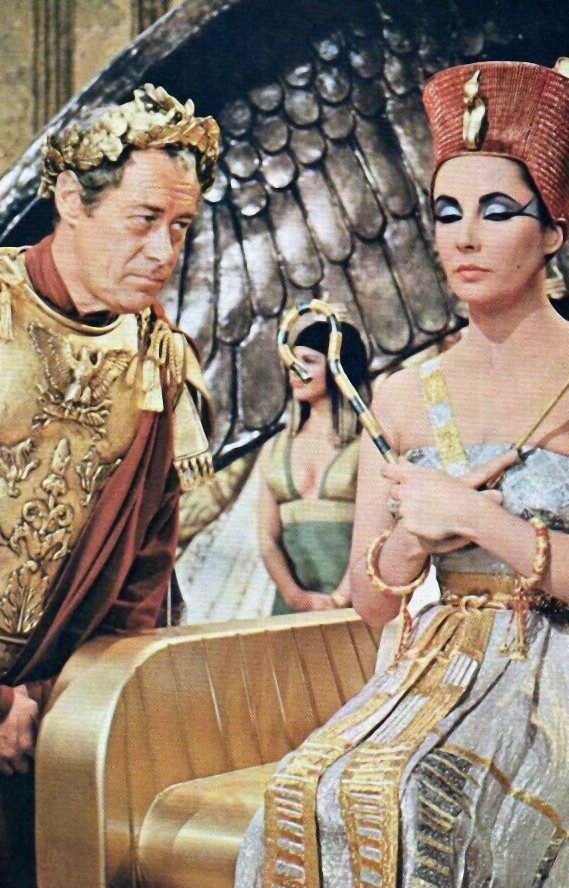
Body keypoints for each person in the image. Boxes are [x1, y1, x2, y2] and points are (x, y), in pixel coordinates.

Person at [235, 58, 569, 887]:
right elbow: (372, 599)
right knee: (307, 794)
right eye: (446, 213)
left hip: (557, 685)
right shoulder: (401, 395)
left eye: (497, 212)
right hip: (437, 672)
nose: (464, 237)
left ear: (552, 231)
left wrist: (477, 518)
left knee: (428, 809)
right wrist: (413, 541)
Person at [0, 83, 219, 886]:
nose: (164, 251)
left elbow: (141, 578)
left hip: (48, 726)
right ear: (70, 200)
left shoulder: (159, 359)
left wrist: (54, 703)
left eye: (181, 227)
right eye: (143, 220)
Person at [258, 320, 370, 614]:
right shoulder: (275, 448)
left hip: (354, 607)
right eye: (292, 361)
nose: (295, 370)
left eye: (308, 360)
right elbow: (267, 540)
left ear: (339, 368)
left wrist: (339, 599)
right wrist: (295, 597)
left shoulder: (368, 446)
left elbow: (375, 535)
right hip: (290, 608)